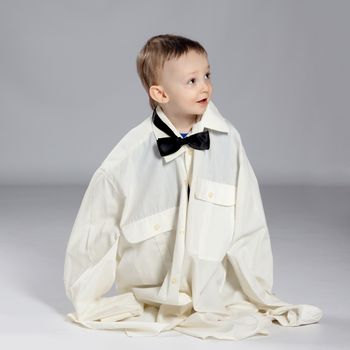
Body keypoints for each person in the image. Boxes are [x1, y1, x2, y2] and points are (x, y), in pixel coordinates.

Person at [63, 34, 322, 340]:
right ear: (160, 93)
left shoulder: (228, 142)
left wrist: (258, 289)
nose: (205, 86)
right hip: (154, 289)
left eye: (207, 75)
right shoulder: (128, 157)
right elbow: (97, 226)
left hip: (213, 289)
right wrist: (87, 296)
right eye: (192, 80)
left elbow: (250, 221)